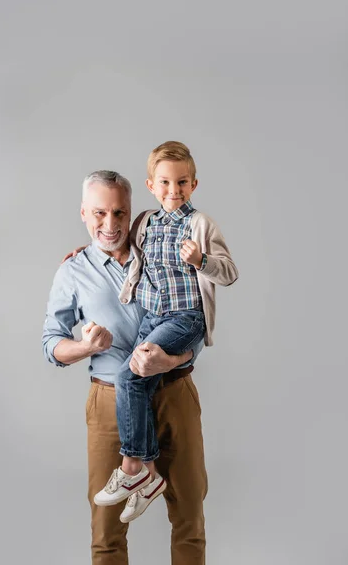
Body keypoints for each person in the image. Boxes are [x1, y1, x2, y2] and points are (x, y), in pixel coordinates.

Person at [42, 170, 210, 564]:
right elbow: (51, 344)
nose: (111, 224)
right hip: (109, 401)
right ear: (84, 213)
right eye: (99, 213)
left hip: (173, 392)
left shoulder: (161, 252)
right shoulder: (72, 271)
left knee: (190, 518)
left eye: (120, 213)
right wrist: (84, 347)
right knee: (107, 531)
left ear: (133, 213)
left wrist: (169, 360)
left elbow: (194, 324)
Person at [93, 141, 238, 525]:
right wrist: (83, 251)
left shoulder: (200, 224)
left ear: (194, 184)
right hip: (151, 318)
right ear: (151, 186)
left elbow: (229, 273)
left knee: (128, 375)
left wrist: (201, 260)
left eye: (182, 183)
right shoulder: (144, 222)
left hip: (184, 317)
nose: (174, 191)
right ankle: (151, 478)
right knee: (137, 382)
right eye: (165, 183)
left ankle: (133, 468)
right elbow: (118, 248)